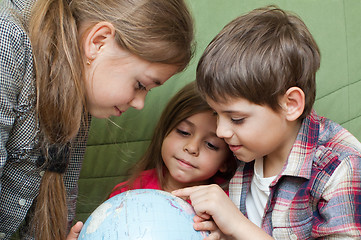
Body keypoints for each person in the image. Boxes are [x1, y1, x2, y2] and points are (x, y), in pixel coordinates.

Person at [0, 0, 194, 239]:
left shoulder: (82, 96)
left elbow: (58, 207)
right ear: (99, 41)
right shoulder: (6, 42)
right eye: (140, 85)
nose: (139, 103)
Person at [172, 6, 361, 240]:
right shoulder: (247, 151)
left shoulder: (340, 168)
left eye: (236, 119)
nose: (221, 131)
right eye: (216, 113)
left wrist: (238, 225)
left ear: (290, 104)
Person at [109, 81, 237, 201]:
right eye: (183, 132)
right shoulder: (128, 193)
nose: (191, 148)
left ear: (226, 161)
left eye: (211, 145)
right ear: (165, 131)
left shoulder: (227, 204)